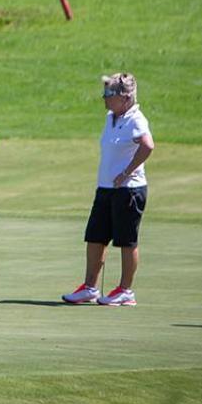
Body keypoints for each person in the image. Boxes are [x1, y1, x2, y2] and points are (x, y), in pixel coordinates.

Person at [62, 73, 154, 307]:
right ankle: (90, 288)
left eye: (108, 94)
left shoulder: (136, 119)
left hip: (129, 190)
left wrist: (127, 172)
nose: (104, 98)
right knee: (95, 237)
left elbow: (147, 145)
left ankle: (125, 291)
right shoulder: (111, 117)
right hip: (105, 188)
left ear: (125, 98)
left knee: (126, 241)